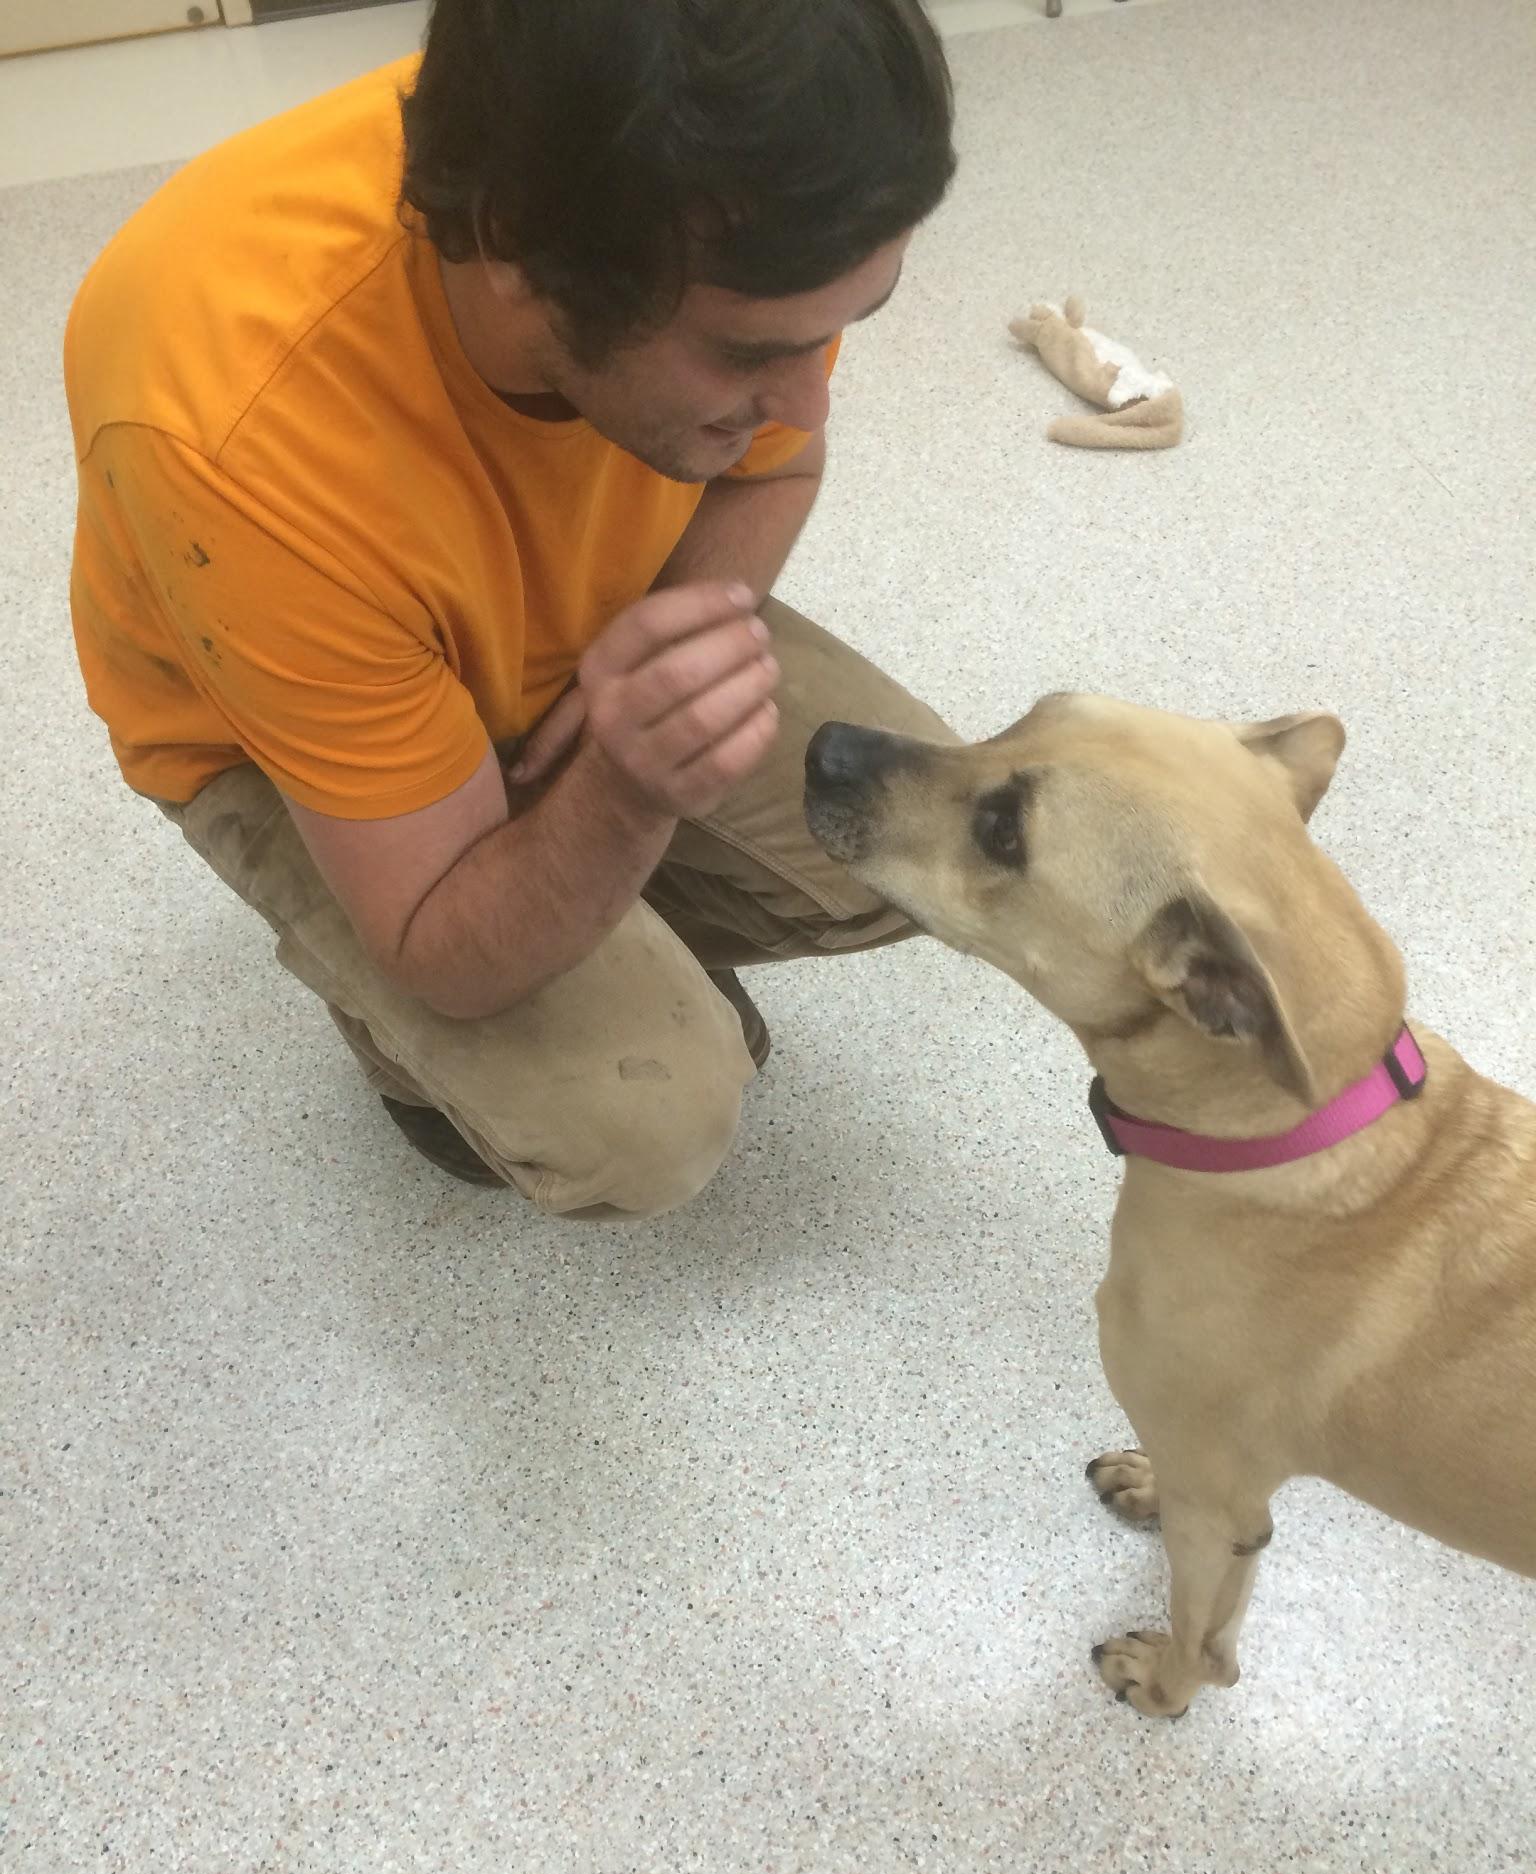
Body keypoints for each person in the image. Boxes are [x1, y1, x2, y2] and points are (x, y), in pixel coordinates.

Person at [64, 0, 956, 1220]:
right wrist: (626, 791)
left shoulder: (745, 198)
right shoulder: (237, 430)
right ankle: (412, 1042)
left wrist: (636, 681)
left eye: (847, 326)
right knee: (641, 1121)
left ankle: (587, 919)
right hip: (261, 734)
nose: (809, 399)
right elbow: (442, 937)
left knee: (921, 840)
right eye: (752, 354)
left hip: (557, 614)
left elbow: (778, 470)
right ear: (520, 254)